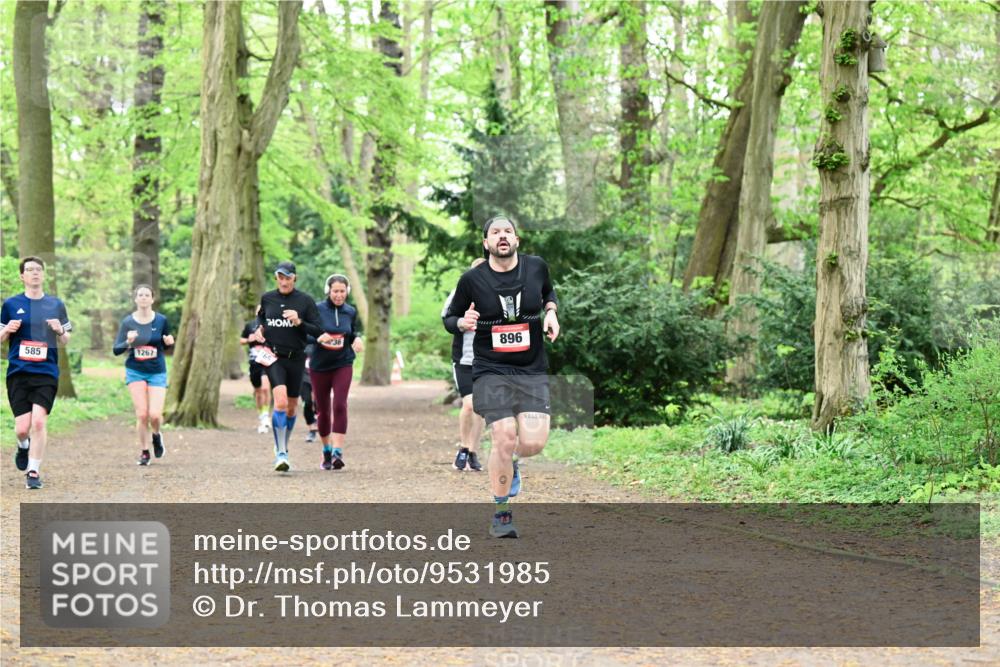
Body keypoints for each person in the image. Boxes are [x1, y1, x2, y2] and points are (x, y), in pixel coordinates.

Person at [445, 216, 560, 538]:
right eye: (495, 233)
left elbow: (549, 292)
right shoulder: (472, 279)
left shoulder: (536, 267)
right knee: (504, 436)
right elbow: (450, 317)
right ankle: (502, 512)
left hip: (531, 369)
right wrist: (461, 322)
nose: (502, 236)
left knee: (533, 443)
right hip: (490, 370)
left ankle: (511, 463)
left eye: (507, 231)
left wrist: (550, 312)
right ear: (486, 243)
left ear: (517, 240)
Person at [0, 257, 73, 490]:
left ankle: (33, 471)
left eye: (38, 270)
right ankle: (23, 445)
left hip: (46, 371)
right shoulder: (11, 304)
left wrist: (59, 329)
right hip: (19, 372)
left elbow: (66, 339)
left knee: (39, 423)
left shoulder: (56, 304)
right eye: (29, 270)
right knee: (22, 428)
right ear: (22, 276)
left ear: (43, 275)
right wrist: (7, 331)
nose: (34, 273)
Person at [247, 261, 322, 472]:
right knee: (279, 402)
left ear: (294, 278)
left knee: (291, 407)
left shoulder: (305, 301)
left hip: (297, 358)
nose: (284, 281)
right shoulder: (267, 298)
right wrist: (258, 329)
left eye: (287, 277)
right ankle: (280, 452)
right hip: (274, 357)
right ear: (276, 278)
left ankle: (283, 446)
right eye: (280, 277)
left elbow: (317, 330)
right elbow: (260, 319)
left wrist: (299, 322)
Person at [112, 285, 175, 466]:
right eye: (141, 295)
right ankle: (144, 451)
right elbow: (117, 350)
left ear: (152, 299)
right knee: (142, 415)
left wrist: (170, 343)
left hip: (156, 371)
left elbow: (167, 343)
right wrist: (128, 341)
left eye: (147, 295)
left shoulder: (162, 320)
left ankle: (156, 435)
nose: (144, 298)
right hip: (135, 371)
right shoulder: (128, 322)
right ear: (136, 299)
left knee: (155, 415)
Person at [308, 274, 363, 470]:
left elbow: (352, 333)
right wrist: (317, 338)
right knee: (323, 410)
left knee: (340, 404)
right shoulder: (317, 309)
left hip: (343, 363)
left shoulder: (350, 311)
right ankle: (326, 451)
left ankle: (338, 452)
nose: (338, 295)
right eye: (335, 291)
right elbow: (306, 334)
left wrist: (356, 340)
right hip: (319, 365)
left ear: (347, 292)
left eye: (342, 291)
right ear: (328, 291)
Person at [442, 257, 486, 472]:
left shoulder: (498, 296)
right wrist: (461, 322)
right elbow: (447, 320)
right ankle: (464, 447)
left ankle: (473, 451)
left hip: (489, 360)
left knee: (481, 408)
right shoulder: (460, 293)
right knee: (470, 404)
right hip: (464, 359)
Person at [240, 306, 272, 434]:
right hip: (254, 362)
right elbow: (241, 340)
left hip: (266, 361)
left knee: (265, 388)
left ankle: (266, 415)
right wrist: (249, 339)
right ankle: (261, 414)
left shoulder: (271, 325)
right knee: (258, 391)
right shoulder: (250, 326)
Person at [302, 342, 319, 443]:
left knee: (317, 401)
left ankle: (317, 418)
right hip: (303, 376)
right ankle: (311, 428)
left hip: (318, 374)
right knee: (307, 402)